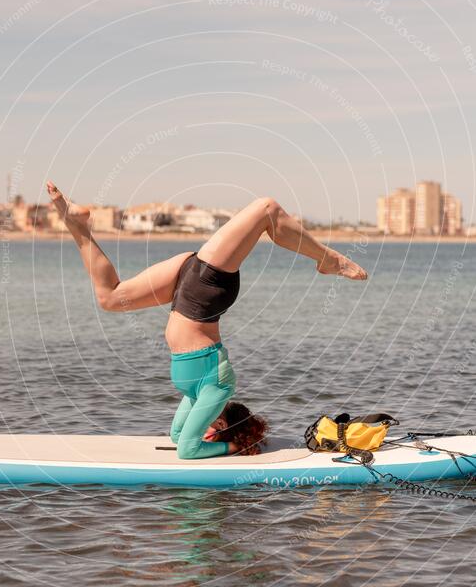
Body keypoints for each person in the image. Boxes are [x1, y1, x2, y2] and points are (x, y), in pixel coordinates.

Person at [46, 184, 367, 459]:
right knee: (266, 209)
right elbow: (189, 450)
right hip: (202, 294)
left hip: (188, 290)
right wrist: (236, 447)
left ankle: (76, 223)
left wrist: (213, 440)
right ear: (223, 425)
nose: (203, 433)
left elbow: (177, 438)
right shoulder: (217, 391)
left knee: (111, 298)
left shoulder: (200, 395)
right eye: (212, 433)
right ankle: (328, 259)